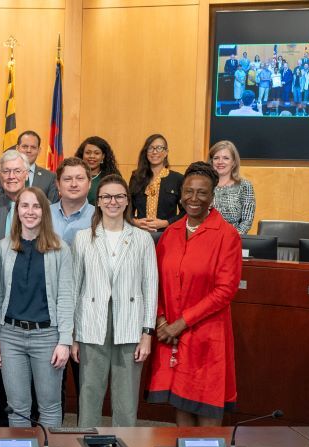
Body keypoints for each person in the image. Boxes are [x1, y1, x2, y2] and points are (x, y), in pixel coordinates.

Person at [146, 162, 242, 427]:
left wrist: (180, 323)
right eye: (188, 191)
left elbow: (225, 291)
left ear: (212, 196)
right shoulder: (170, 234)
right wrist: (161, 319)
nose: (194, 198)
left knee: (207, 415)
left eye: (202, 193)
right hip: (172, 335)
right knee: (181, 408)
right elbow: (155, 282)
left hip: (206, 336)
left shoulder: (227, 236)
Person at [72, 174, 157, 428]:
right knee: (89, 393)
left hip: (129, 326)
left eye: (119, 196)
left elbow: (151, 287)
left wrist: (147, 333)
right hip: (91, 324)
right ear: (97, 201)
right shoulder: (83, 237)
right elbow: (75, 288)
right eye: (106, 196)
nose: (113, 201)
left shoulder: (142, 239)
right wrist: (73, 335)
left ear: (127, 201)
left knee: (126, 399)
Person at [0, 187, 74, 429]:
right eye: (24, 206)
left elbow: (67, 297)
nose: (30, 211)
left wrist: (64, 341)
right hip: (10, 336)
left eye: (36, 206)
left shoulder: (60, 249)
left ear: (44, 211)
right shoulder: (3, 248)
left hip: (47, 337)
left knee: (49, 405)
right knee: (17, 407)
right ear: (17, 211)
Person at [0, 149, 30, 427]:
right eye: (6, 172)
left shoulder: (41, 205)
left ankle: (34, 424)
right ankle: (1, 421)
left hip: (34, 299)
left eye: (17, 171)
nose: (11, 176)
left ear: (26, 174)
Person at [48, 156, 94, 421]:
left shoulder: (99, 217)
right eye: (67, 178)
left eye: (79, 178)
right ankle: (56, 438)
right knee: (52, 383)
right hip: (50, 309)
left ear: (89, 183)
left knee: (85, 384)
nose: (73, 183)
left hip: (86, 308)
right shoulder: (43, 214)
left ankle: (84, 443)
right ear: (58, 183)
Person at [129, 134, 184, 232]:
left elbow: (185, 212)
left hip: (168, 234)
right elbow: (128, 208)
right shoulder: (136, 177)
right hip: (140, 234)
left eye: (159, 148)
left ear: (166, 152)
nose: (154, 152)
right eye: (150, 148)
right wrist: (135, 222)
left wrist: (166, 223)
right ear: (146, 152)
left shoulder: (177, 179)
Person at [0, 131, 59, 203]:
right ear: (17, 148)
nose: (28, 150)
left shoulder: (50, 177)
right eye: (25, 146)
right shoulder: (5, 174)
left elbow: (53, 208)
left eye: (33, 147)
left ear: (39, 151)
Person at [209, 141, 255, 235]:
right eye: (216, 158)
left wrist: (231, 239)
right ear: (211, 161)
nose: (220, 162)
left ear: (233, 162)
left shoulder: (244, 186)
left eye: (226, 158)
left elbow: (246, 222)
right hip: (206, 239)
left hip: (233, 240)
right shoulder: (204, 185)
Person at [73, 136, 119, 204]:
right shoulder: (72, 176)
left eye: (97, 153)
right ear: (82, 155)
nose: (92, 156)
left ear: (103, 156)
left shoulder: (112, 178)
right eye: (88, 153)